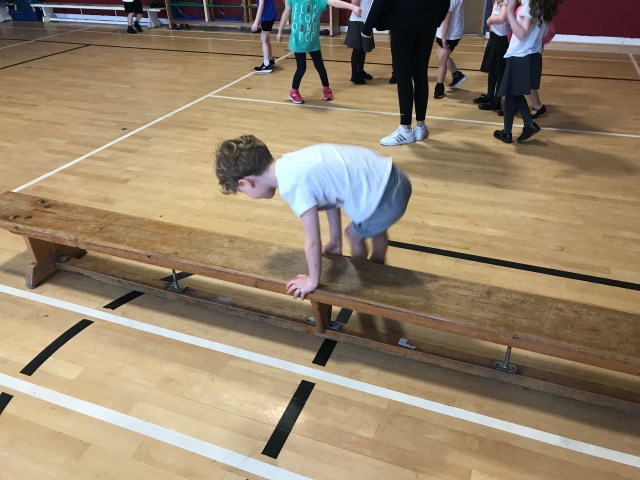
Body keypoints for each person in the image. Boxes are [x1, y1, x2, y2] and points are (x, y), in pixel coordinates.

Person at [214, 135, 412, 299]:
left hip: (385, 196)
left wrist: (312, 280)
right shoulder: (291, 162)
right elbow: (331, 200)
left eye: (241, 191)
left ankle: (365, 273)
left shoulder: (294, 185)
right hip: (392, 178)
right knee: (373, 228)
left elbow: (312, 241)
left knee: (353, 235)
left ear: (246, 183)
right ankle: (378, 264)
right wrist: (335, 240)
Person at [362, 0, 450, 146]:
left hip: (402, 19)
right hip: (428, 20)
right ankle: (421, 127)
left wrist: (367, 27)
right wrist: (435, 19)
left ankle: (405, 129)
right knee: (420, 73)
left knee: (403, 75)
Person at [493, 0, 561, 144]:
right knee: (514, 94)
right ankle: (523, 127)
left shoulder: (528, 7)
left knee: (511, 94)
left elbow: (521, 34)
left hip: (520, 56)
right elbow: (546, 33)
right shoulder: (541, 6)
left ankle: (509, 132)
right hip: (533, 55)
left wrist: (510, 12)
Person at [277, 0, 362, 104]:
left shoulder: (318, 1)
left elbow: (335, 2)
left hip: (312, 42)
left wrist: (353, 7)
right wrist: (280, 31)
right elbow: (286, 13)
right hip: (298, 41)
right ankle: (293, 92)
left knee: (320, 66)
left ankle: (326, 88)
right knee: (301, 68)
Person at [475, 0, 510, 111]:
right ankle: (490, 95)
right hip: (495, 37)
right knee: (492, 69)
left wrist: (489, 20)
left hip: (501, 39)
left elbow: (501, 18)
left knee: (499, 71)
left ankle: (496, 101)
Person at [433, 0, 466, 99]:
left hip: (450, 35)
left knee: (442, 59)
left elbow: (447, 18)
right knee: (440, 55)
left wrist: (444, 37)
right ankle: (457, 75)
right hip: (443, 31)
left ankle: (439, 88)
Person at [344, 0, 375, 84]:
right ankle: (355, 75)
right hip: (357, 21)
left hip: (365, 20)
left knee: (362, 49)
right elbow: (354, 3)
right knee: (357, 49)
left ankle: (360, 71)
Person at [251, 0, 278, 73]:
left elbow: (261, 5)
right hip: (269, 15)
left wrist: (256, 22)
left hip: (267, 16)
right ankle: (270, 59)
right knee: (266, 39)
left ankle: (266, 65)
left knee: (263, 39)